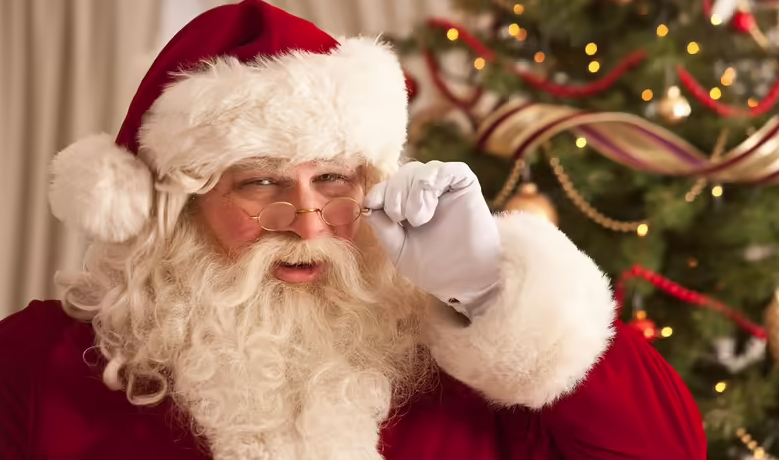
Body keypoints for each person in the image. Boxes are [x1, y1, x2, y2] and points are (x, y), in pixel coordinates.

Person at [0, 1, 706, 459]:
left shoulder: (462, 364)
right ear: (177, 206)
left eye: (334, 180)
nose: (308, 222)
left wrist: (487, 287)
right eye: (260, 182)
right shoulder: (39, 363)